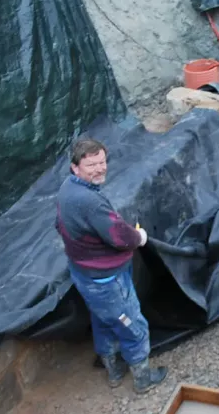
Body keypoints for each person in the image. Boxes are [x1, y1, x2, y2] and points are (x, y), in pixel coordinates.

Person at [56, 137, 168, 394]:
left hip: (84, 274)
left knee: (104, 320)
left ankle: (114, 370)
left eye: (102, 162)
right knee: (132, 325)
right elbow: (120, 237)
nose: (99, 169)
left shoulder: (66, 189)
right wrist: (139, 237)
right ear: (75, 168)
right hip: (108, 281)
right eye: (91, 165)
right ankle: (143, 378)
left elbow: (59, 225)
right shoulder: (91, 203)